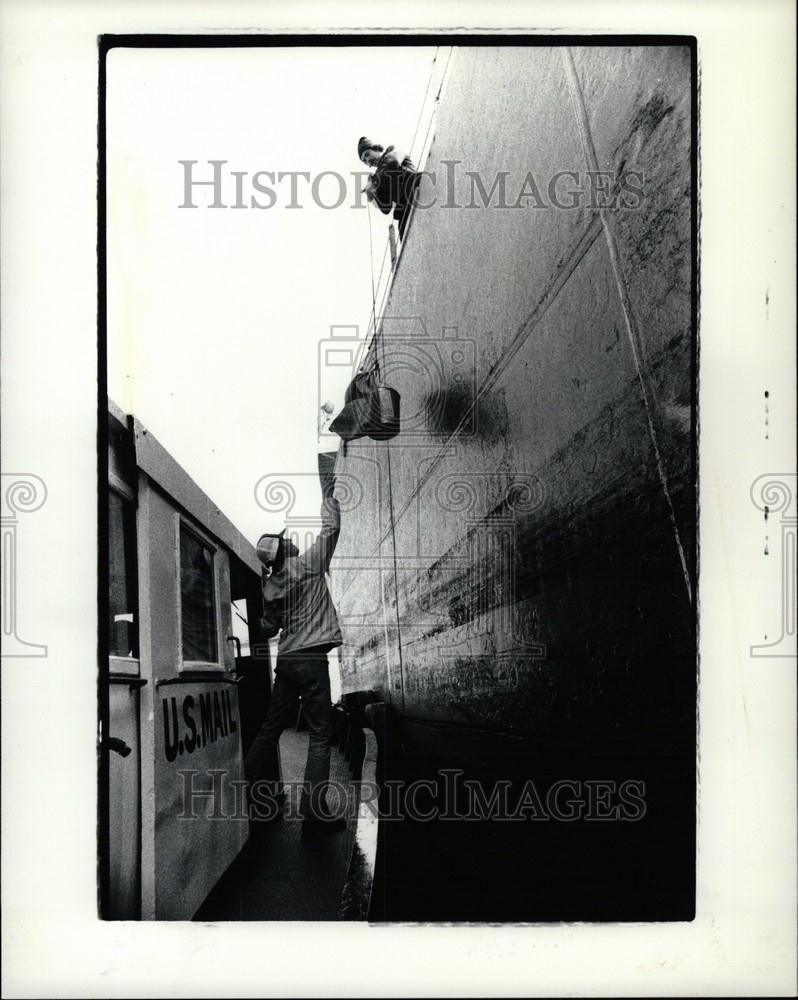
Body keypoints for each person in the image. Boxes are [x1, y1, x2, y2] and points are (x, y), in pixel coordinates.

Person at [245, 482, 346, 834]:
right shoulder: (309, 564)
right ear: (284, 550)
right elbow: (332, 529)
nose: (291, 541)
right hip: (312, 661)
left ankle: (242, 793)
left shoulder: (271, 587)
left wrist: (263, 618)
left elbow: (268, 630)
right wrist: (328, 498)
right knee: (320, 735)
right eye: (287, 541)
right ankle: (314, 816)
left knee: (270, 729)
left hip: (286, 661)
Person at [358, 136, 420, 239]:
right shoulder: (379, 176)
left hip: (417, 188)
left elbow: (393, 163)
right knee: (403, 231)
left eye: (367, 154)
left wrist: (376, 180)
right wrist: (373, 192)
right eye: (365, 160)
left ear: (376, 148)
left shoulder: (392, 150)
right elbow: (386, 208)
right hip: (406, 208)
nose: (368, 160)